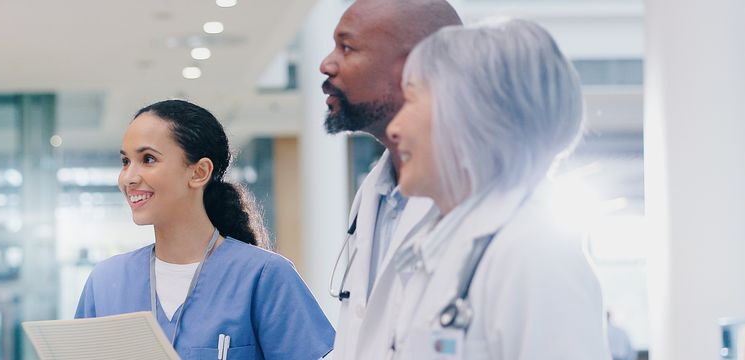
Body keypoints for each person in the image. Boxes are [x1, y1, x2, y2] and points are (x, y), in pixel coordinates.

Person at [356, 18, 610, 358]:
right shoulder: (438, 248)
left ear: (469, 116)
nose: (396, 127)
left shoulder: (536, 255)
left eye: (412, 101)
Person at [75, 100, 335, 358]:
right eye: (125, 161)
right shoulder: (106, 281)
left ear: (199, 172)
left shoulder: (265, 276)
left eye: (148, 159)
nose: (128, 177)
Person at [316, 1, 461, 357]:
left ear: (416, 68)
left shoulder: (488, 208)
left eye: (346, 47)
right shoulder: (374, 193)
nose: (326, 64)